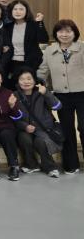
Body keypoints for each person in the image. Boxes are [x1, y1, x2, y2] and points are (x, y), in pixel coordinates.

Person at [37, 19, 84, 174]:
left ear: (74, 33)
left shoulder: (82, 48)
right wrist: (34, 82)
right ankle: (71, 164)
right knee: (67, 129)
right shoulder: (50, 51)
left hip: (82, 93)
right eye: (61, 31)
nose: (64, 34)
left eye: (68, 31)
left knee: (83, 127)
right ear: (56, 33)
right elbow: (43, 71)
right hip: (61, 96)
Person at [13, 66, 62, 178]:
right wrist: (25, 126)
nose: (26, 82)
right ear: (18, 81)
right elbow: (14, 118)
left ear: (34, 80)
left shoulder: (42, 92)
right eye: (22, 79)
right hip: (25, 129)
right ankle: (31, 165)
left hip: (42, 129)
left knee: (40, 142)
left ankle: (50, 167)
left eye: (29, 78)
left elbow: (57, 106)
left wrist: (46, 93)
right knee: (24, 138)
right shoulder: (15, 95)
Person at [4, 0, 48, 85]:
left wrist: (40, 22)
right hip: (12, 63)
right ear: (11, 11)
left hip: (31, 62)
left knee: (30, 87)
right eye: (15, 9)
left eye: (21, 9)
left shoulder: (33, 24)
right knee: (14, 86)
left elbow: (43, 39)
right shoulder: (7, 27)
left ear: (26, 11)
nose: (18, 12)